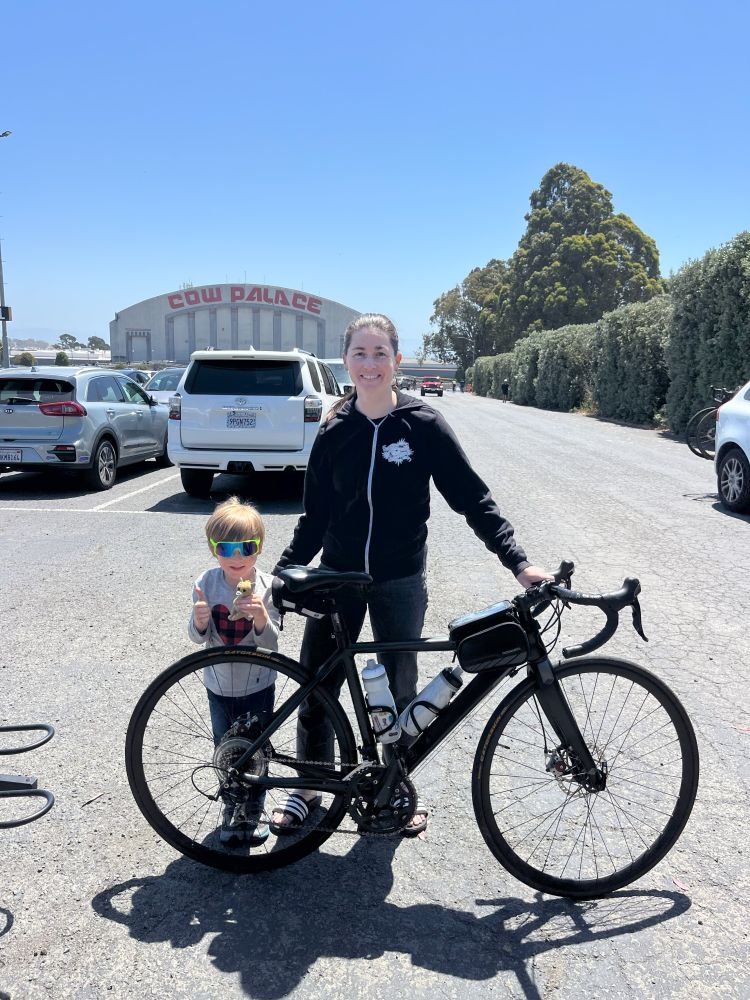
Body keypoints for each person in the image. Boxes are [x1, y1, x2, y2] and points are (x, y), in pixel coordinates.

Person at [270, 313, 550, 837]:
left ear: (397, 361)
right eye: (360, 353)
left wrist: (518, 562)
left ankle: (395, 786)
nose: (370, 363)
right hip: (338, 576)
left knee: (401, 687)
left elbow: (472, 499)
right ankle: (307, 788)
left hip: (401, 578)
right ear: (346, 361)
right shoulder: (334, 430)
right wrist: (285, 573)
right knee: (318, 683)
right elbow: (316, 517)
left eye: (380, 353)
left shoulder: (422, 425)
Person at [189, 496, 280, 846]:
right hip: (218, 683)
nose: (236, 556)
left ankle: (252, 812)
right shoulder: (206, 583)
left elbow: (272, 645)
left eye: (247, 546)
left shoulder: (268, 586)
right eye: (225, 547)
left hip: (258, 683)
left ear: (259, 548)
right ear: (214, 548)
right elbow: (197, 638)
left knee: (257, 749)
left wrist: (260, 616)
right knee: (224, 748)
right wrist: (198, 622)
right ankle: (231, 808)